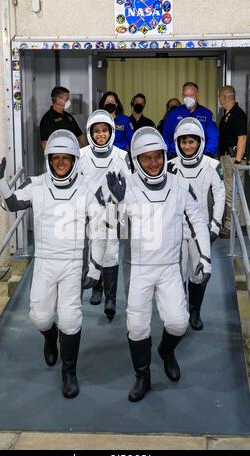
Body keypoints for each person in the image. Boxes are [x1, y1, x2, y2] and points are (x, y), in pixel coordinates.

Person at [0, 130, 106, 400]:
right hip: (45, 262)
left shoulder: (86, 189)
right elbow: (12, 203)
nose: (61, 163)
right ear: (48, 159)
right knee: (40, 317)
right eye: (56, 158)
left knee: (71, 319)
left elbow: (99, 229)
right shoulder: (36, 184)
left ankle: (69, 371)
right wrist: (0, 180)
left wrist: (95, 267)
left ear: (75, 160)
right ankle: (50, 338)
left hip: (73, 262)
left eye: (66, 158)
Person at [106, 127, 211, 402]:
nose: (153, 164)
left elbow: (198, 219)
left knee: (178, 323)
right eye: (146, 158)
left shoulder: (179, 186)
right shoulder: (125, 185)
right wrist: (115, 203)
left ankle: (166, 350)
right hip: (139, 268)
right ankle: (143, 376)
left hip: (168, 267)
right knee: (137, 326)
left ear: (165, 156)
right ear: (136, 160)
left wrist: (205, 257)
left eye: (157, 157)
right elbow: (112, 228)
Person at [171, 117, 225, 330]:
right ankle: (181, 310)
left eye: (191, 142)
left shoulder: (212, 165)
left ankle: (195, 310)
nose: (187, 146)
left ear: (200, 141)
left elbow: (220, 194)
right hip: (175, 230)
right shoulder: (170, 166)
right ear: (178, 143)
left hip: (200, 230)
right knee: (176, 272)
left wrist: (216, 224)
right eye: (183, 142)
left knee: (199, 273)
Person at [80, 110, 131, 320]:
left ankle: (110, 297)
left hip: (112, 210)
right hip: (87, 210)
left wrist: (123, 211)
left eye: (104, 130)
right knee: (91, 248)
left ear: (111, 132)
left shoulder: (121, 156)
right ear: (90, 132)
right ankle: (96, 288)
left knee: (111, 251)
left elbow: (129, 186)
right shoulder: (81, 155)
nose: (101, 134)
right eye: (96, 131)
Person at [218, 85, 248, 238]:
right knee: (228, 192)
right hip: (226, 157)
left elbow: (242, 138)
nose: (219, 99)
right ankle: (229, 224)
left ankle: (231, 227)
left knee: (232, 193)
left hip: (232, 158)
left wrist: (237, 161)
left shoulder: (237, 114)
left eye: (220, 96)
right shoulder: (227, 114)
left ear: (225, 97)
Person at [163, 82, 219, 159]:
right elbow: (166, 136)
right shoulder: (173, 114)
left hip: (201, 157)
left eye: (191, 95)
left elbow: (213, 136)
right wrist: (169, 154)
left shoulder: (206, 114)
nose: (188, 98)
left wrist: (208, 154)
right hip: (176, 156)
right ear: (182, 95)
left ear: (197, 95)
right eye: (185, 95)